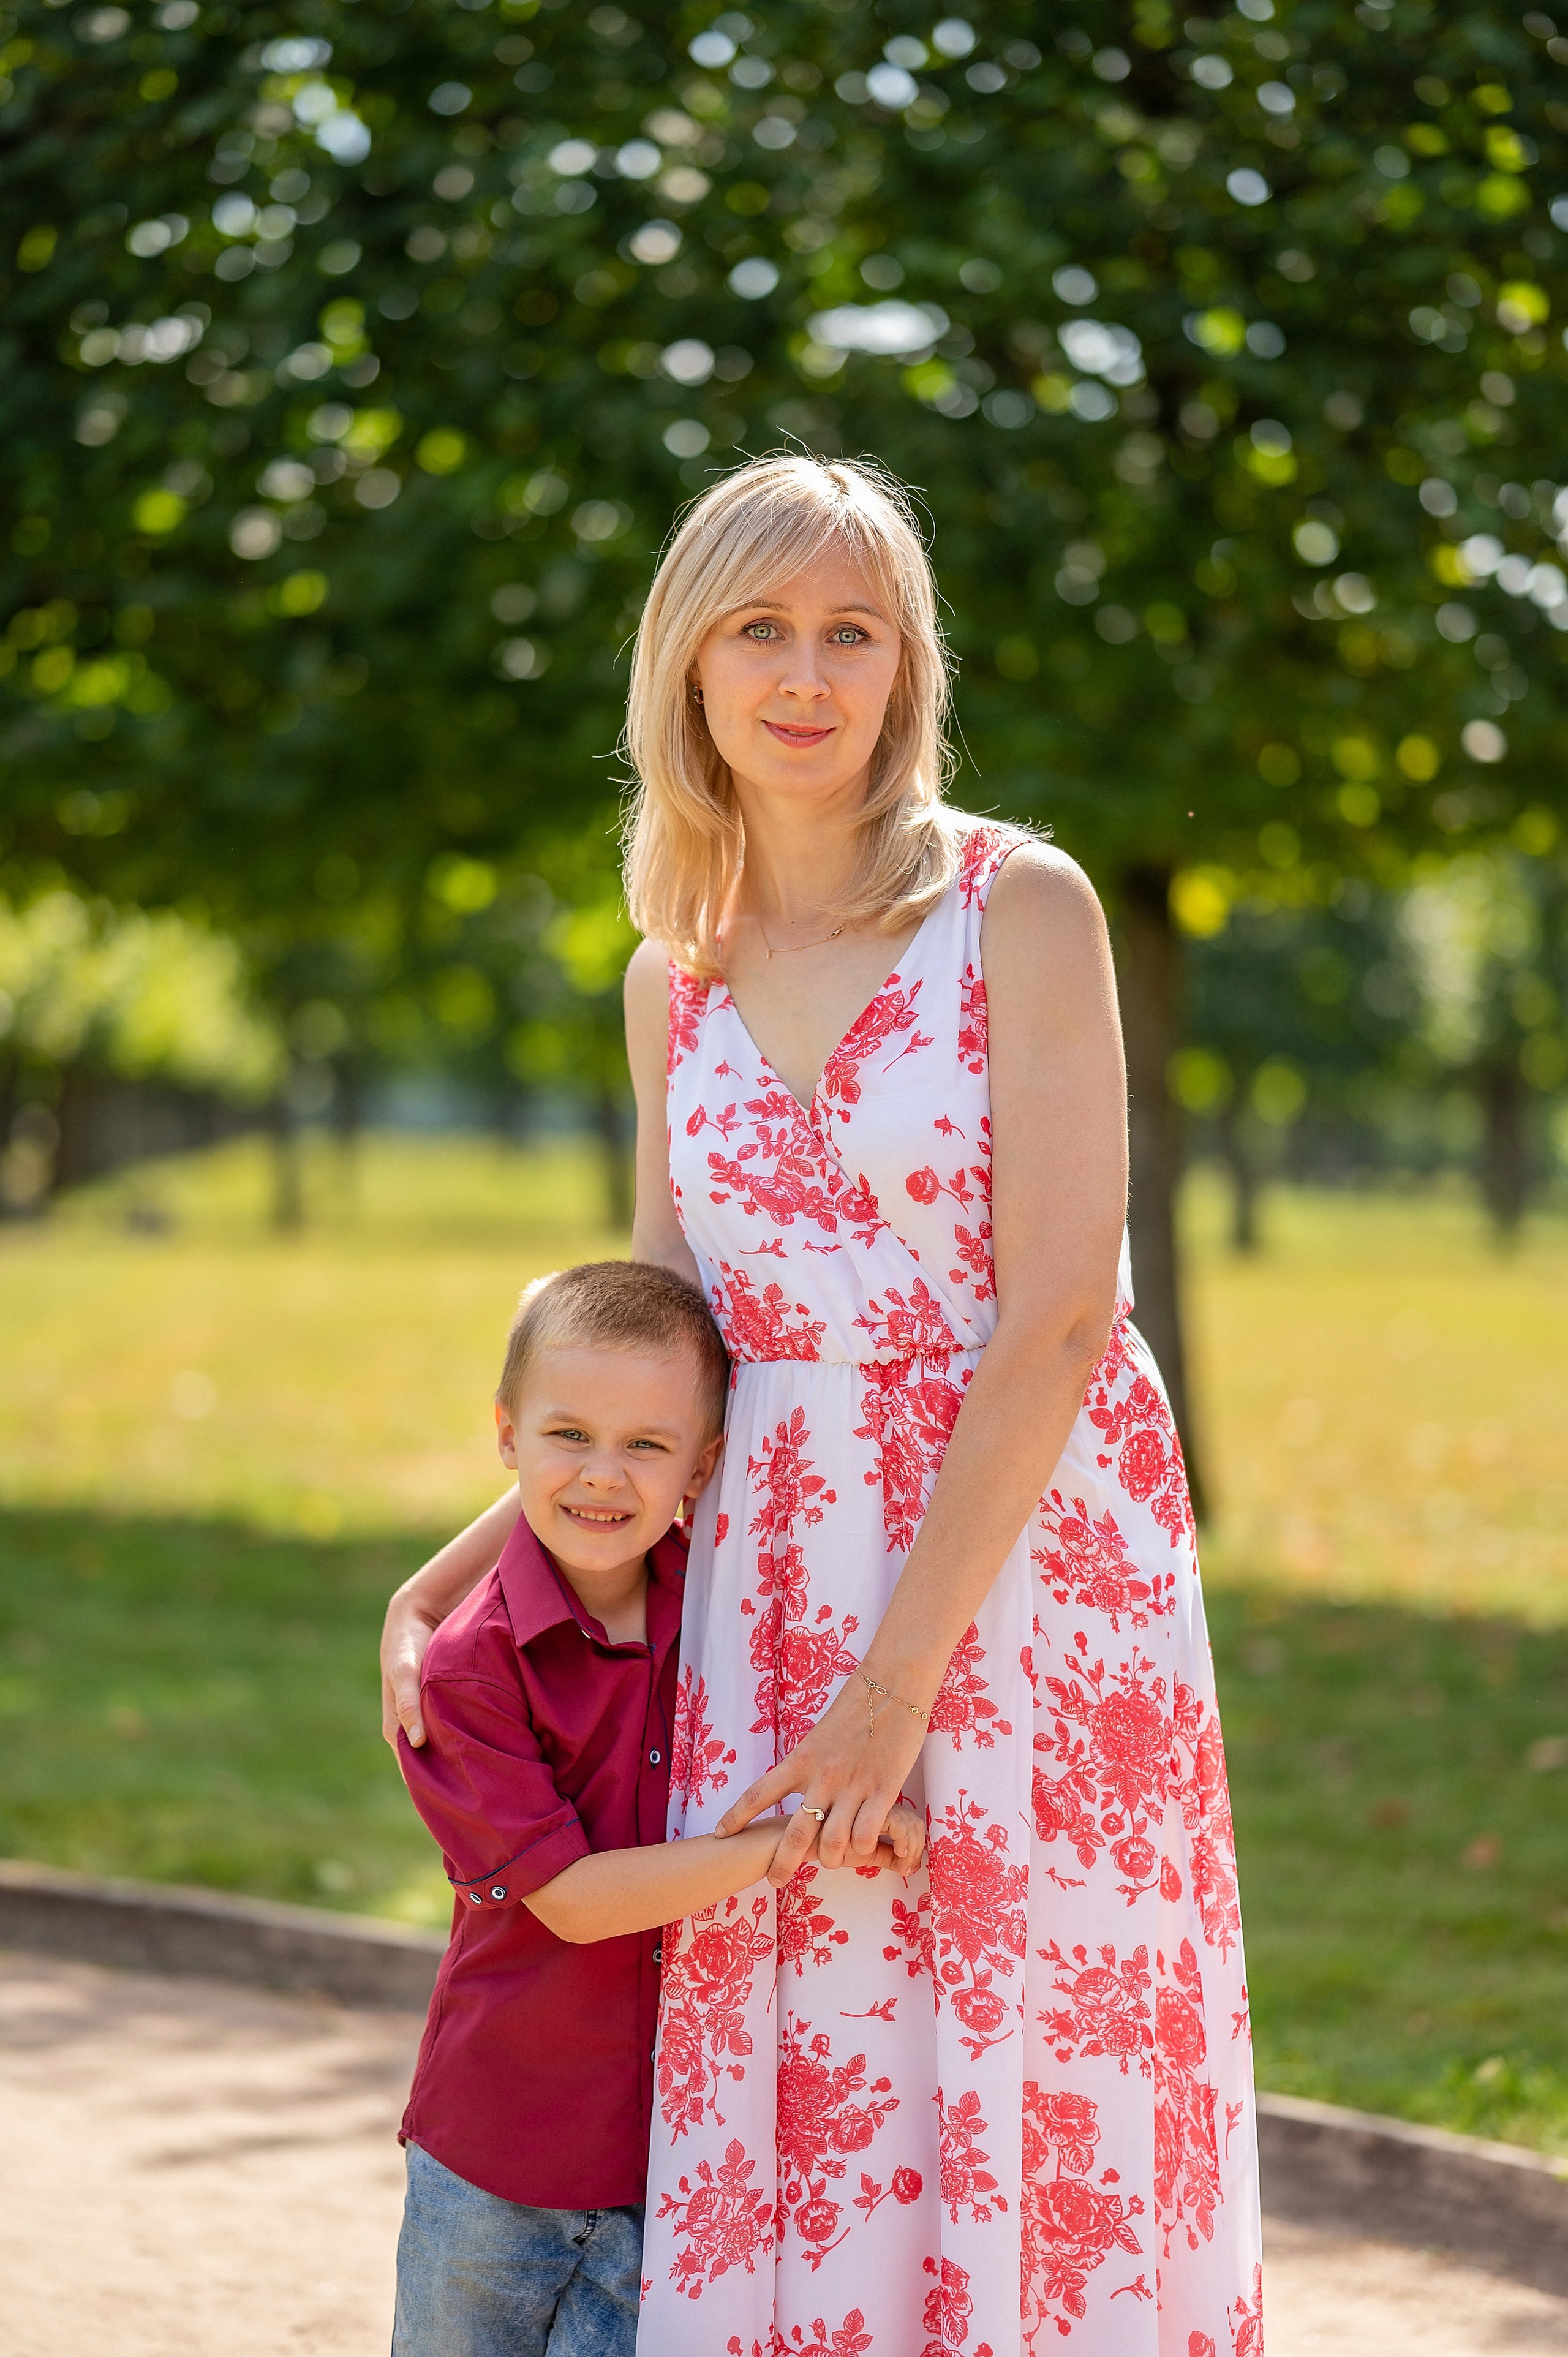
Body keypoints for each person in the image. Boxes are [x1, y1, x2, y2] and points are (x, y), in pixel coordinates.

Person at [383, 453, 1263, 2356]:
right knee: (821, 2051)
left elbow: (1053, 1321)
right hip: (772, 1569)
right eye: (760, 630)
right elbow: (660, 1330)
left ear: (908, 667)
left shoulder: (1019, 910)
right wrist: (454, 1574)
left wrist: (898, 1686)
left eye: (852, 631)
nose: (806, 673)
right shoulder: (669, 979)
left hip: (1027, 1570)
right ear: (687, 671)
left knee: (1040, 2057)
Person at [390, 1254, 928, 2357]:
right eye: (567, 1434)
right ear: (506, 1435)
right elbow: (576, 1903)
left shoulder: (731, 1624)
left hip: (674, 2173)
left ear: (707, 1464)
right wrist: (792, 1844)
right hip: (498, 2163)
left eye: (647, 1445)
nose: (602, 1475)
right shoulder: (467, 1672)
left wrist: (856, 1802)